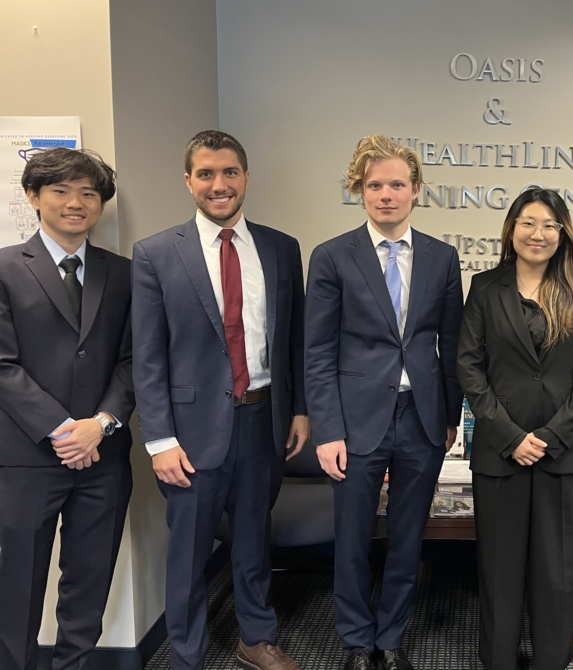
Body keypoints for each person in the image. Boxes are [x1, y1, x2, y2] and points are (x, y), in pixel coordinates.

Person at [132, 131, 309, 670]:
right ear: (188, 181)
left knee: (254, 537)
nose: (219, 184)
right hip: (188, 432)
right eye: (206, 174)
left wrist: (298, 408)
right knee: (187, 552)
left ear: (246, 177)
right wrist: (159, 440)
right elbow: (148, 356)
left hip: (264, 419)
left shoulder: (281, 248)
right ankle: (186, 653)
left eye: (230, 172)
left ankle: (256, 637)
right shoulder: (156, 254)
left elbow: (294, 339)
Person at [305, 134, 463, 670]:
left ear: (416, 190)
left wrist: (450, 418)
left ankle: (390, 638)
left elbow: (453, 346)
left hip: (421, 419)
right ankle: (355, 641)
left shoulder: (442, 258)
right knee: (351, 540)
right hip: (354, 421)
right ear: (360, 191)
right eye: (375, 185)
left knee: (407, 537)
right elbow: (318, 351)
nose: (386, 195)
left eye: (397, 184)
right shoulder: (331, 257)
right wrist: (327, 429)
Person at [458, 188, 573, 670]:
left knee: (557, 571)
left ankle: (550, 661)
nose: (537, 233)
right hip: (501, 453)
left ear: (562, 232)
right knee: (500, 571)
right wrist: (509, 436)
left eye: (548, 224)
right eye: (527, 222)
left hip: (563, 453)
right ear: (511, 229)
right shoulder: (485, 287)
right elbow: (469, 367)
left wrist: (550, 436)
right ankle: (498, 661)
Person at [0, 148, 133, 670]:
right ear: (34, 197)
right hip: (27, 457)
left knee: (89, 578)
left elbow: (133, 360)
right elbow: (3, 364)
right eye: (61, 191)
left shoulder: (122, 273)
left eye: (89, 193)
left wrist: (98, 426)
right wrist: (62, 429)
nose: (75, 203)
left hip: (104, 456)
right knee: (19, 583)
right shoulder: (6, 268)